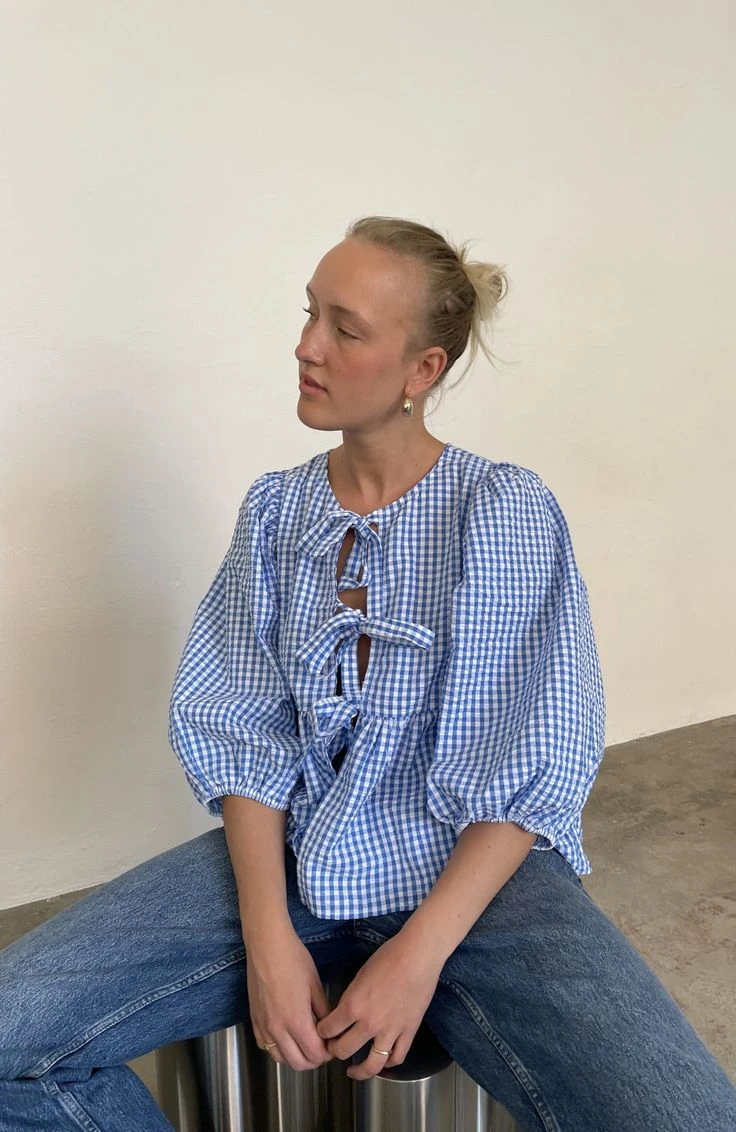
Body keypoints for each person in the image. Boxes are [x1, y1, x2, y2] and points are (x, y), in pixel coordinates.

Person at [1, 217, 734, 1132]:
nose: (306, 347)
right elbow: (242, 721)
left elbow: (529, 755)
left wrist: (417, 958)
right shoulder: (277, 512)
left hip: (477, 880)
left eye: (345, 329)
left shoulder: (500, 509)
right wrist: (269, 939)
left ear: (422, 369)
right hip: (296, 853)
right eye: (310, 314)